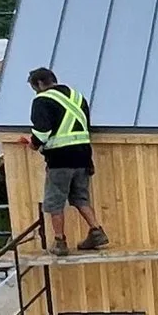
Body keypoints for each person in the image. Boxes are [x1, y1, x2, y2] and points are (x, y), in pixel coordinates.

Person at [25, 66, 106, 252]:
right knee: (80, 198)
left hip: (60, 159)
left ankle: (60, 241)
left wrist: (33, 144)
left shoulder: (42, 100)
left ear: (38, 84)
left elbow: (43, 131)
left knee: (55, 201)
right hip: (84, 157)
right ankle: (97, 232)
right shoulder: (77, 97)